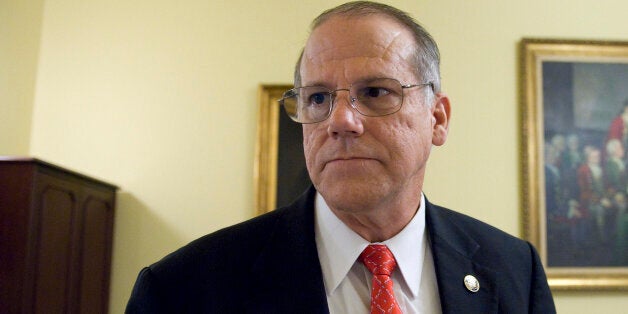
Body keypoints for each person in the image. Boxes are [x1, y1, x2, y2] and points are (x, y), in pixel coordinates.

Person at [126, 2, 555, 313]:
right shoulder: (182, 290)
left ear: (437, 119)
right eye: (317, 98)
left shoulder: (514, 270)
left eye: (375, 92)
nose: (341, 121)